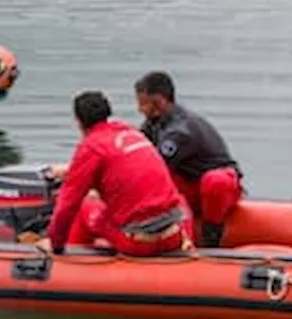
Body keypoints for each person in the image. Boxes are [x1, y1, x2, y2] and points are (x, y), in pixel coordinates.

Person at [29, 91, 194, 257]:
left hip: (138, 243)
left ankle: (71, 259)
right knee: (177, 200)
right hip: (173, 237)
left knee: (86, 207)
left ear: (78, 121)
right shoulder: (132, 134)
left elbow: (68, 204)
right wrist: (71, 172)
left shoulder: (91, 147)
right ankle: (189, 248)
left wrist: (54, 241)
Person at [134, 71, 243, 248]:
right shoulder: (153, 124)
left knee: (215, 182)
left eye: (143, 103)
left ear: (159, 101)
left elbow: (155, 168)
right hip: (192, 182)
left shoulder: (180, 131)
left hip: (219, 188)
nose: (140, 109)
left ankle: (211, 236)